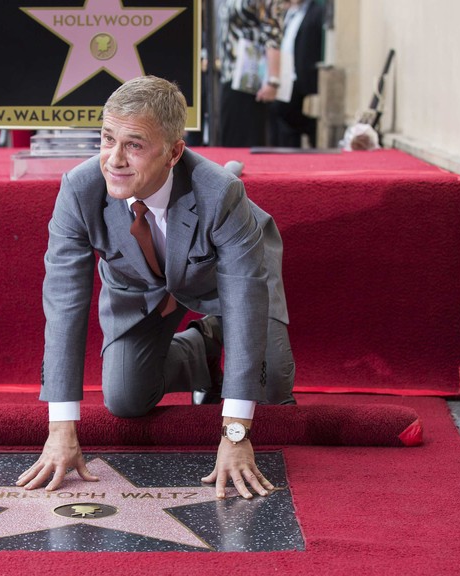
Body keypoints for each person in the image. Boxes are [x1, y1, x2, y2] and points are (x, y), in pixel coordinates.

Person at [18, 76, 295, 500]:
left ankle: (219, 336)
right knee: (125, 399)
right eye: (107, 139)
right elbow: (65, 305)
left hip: (227, 279)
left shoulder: (221, 193)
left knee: (271, 387)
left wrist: (236, 434)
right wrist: (61, 427)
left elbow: (242, 302)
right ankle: (202, 349)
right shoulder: (79, 189)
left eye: (135, 144)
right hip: (140, 286)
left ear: (174, 152)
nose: (114, 159)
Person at [217, 0, 286, 147]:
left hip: (249, 78)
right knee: (228, 138)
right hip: (228, 74)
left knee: (244, 140)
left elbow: (273, 34)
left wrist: (273, 80)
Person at [270, 0, 324, 148]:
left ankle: (312, 128)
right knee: (280, 114)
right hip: (285, 73)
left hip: (302, 74)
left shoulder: (317, 12)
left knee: (283, 110)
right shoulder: (287, 13)